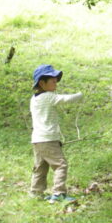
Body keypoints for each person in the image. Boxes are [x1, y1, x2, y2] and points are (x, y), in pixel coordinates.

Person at [29, 64, 83, 203]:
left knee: (40, 166)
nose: (56, 83)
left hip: (37, 139)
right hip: (48, 139)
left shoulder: (35, 98)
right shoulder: (47, 97)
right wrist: (79, 95)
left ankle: (36, 192)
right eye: (52, 80)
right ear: (42, 83)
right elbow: (64, 99)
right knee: (61, 164)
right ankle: (59, 194)